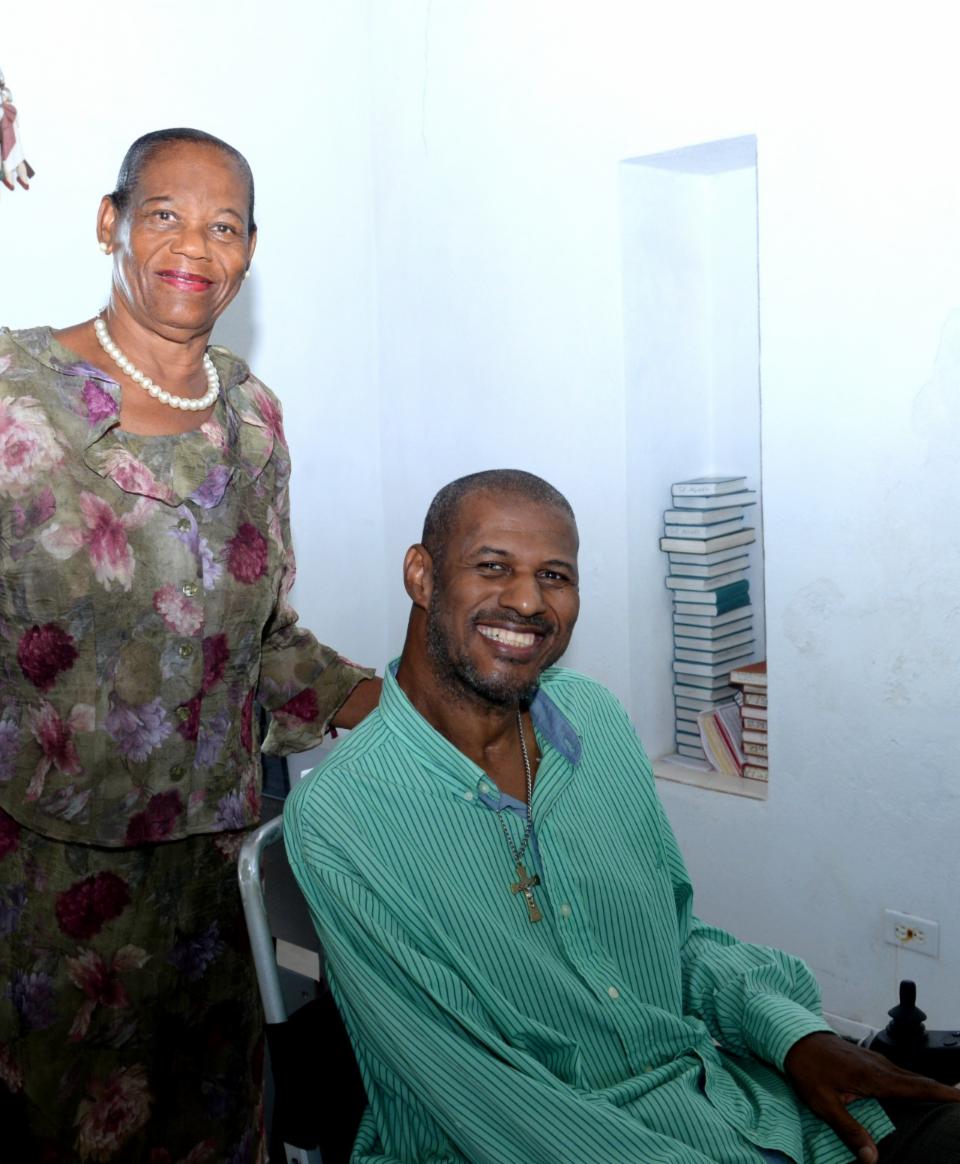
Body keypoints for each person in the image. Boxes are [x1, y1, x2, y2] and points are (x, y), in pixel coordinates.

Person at [0, 127, 380, 1162]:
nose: (194, 245)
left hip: (212, 889)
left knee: (220, 1137)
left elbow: (265, 645)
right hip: (46, 897)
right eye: (164, 215)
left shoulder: (253, 420)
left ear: (249, 251)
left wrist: (412, 712)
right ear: (109, 223)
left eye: (224, 226)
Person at [285, 469, 960, 1164]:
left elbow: (676, 940)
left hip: (727, 1107)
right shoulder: (341, 815)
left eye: (554, 576)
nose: (528, 601)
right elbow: (479, 1096)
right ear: (422, 577)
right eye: (493, 567)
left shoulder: (594, 719)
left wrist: (797, 1039)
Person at [0, 89, 34, 191]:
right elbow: (17, 123)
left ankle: (10, 182)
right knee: (19, 158)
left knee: (7, 158)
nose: (2, 97)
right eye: (1, 95)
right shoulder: (14, 109)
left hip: (7, 135)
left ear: (8, 96)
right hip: (16, 136)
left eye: (3, 95)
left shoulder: (2, 108)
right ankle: (24, 181)